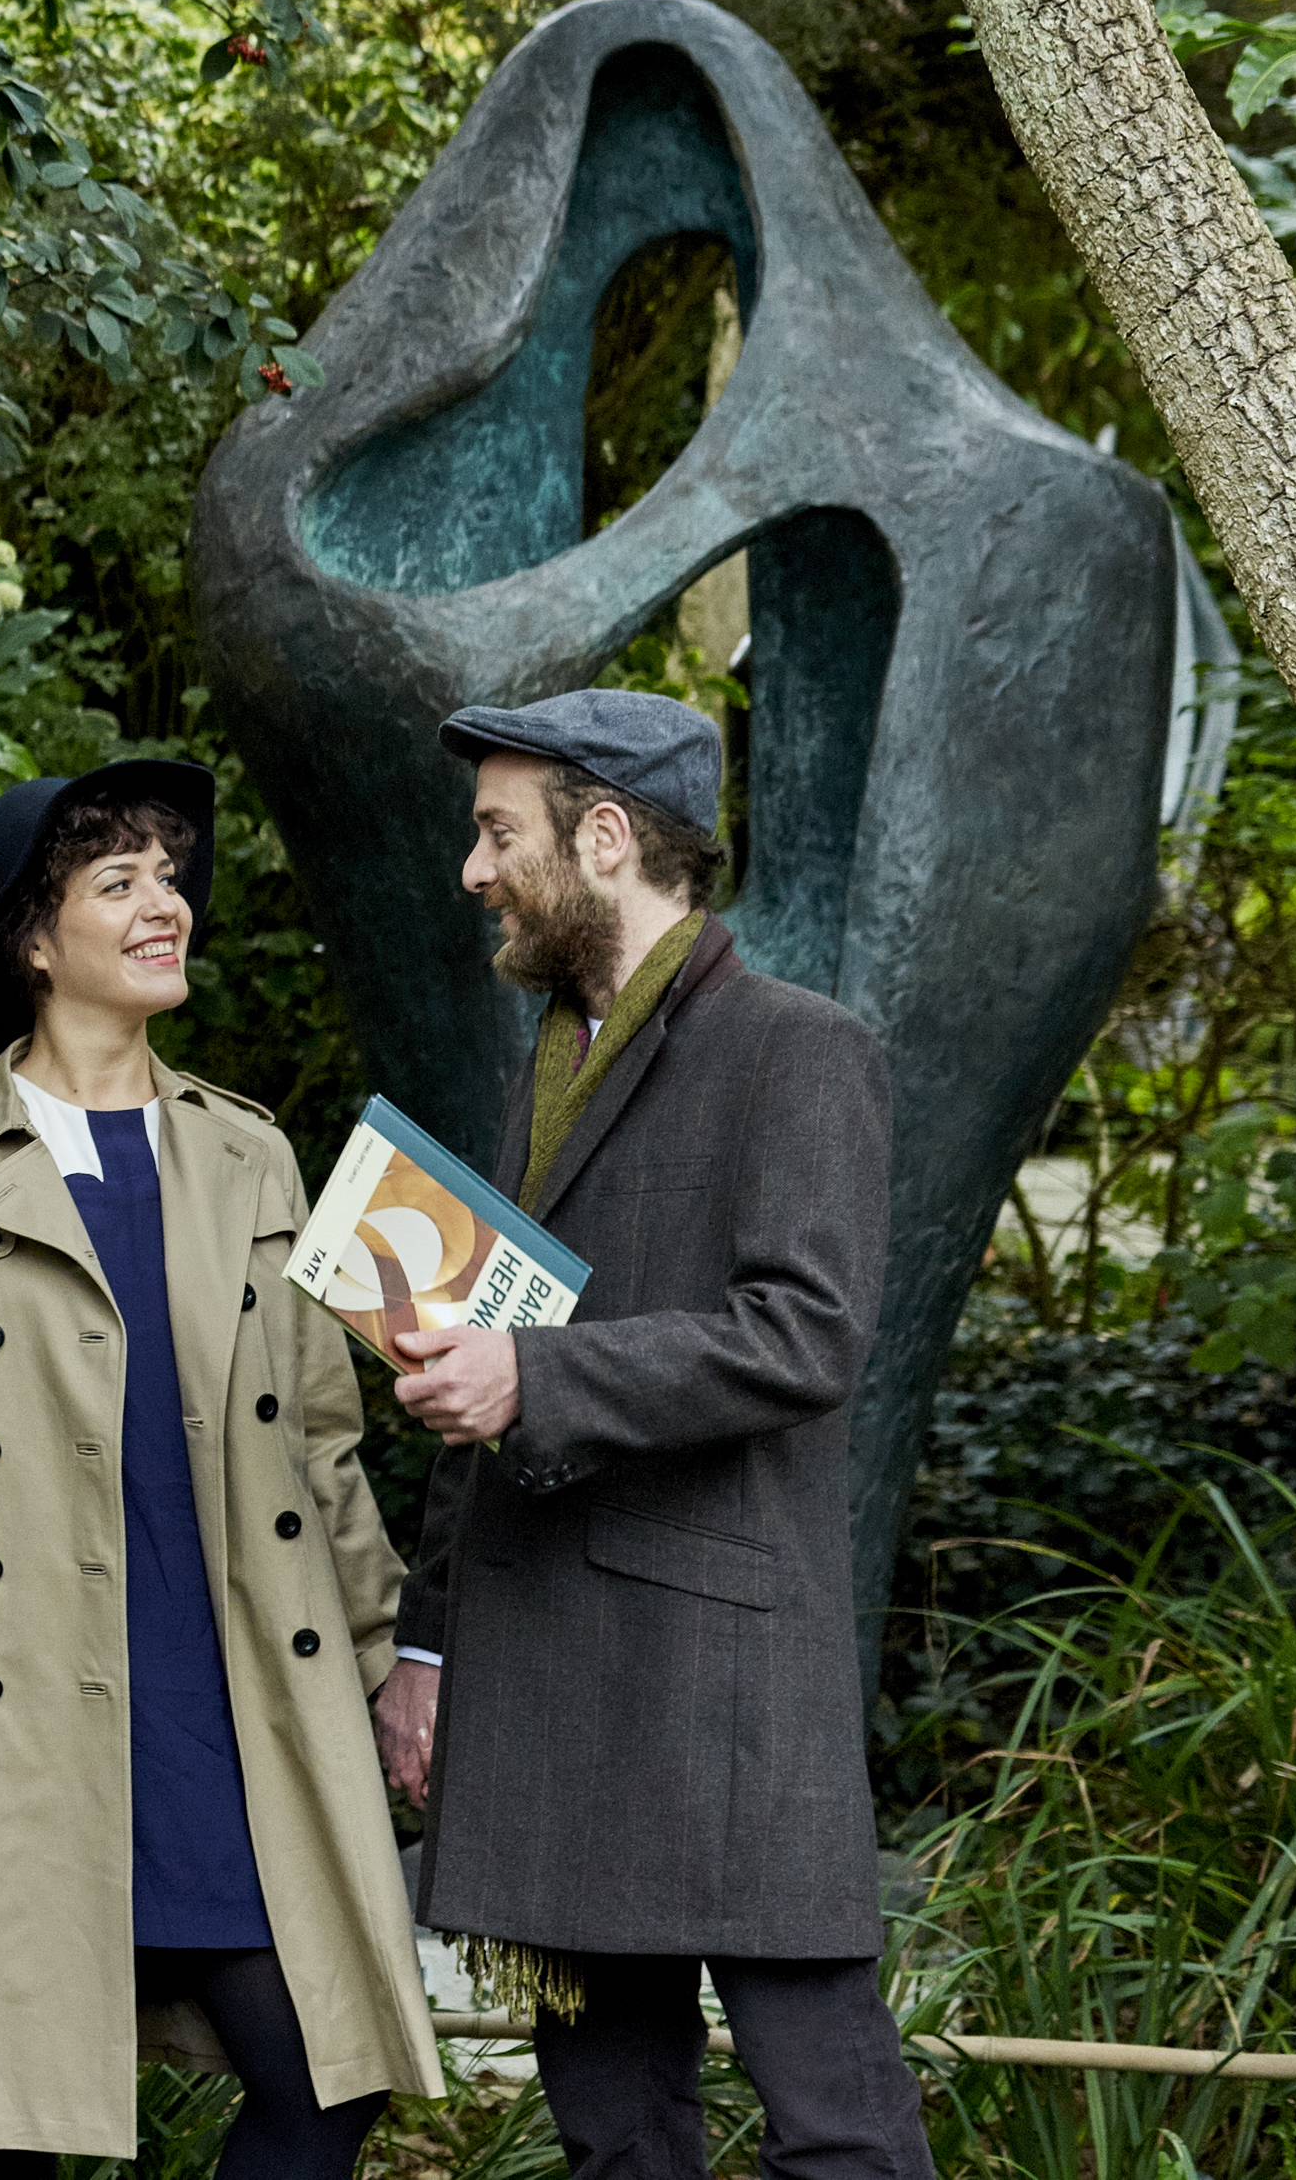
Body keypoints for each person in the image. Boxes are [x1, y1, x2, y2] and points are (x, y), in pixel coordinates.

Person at [0, 761, 440, 2173]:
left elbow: (319, 1446)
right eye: (119, 880)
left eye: (170, 875)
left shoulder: (249, 1153)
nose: (167, 904)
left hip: (231, 1699)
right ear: (35, 939)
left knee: (328, 2074)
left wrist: (390, 1662)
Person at [375, 689, 937, 2180]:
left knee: (835, 2128)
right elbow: (488, 1350)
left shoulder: (801, 1048)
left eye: (499, 833)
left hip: (716, 1687)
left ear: (606, 835)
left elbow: (804, 1333)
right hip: (545, 1676)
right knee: (612, 2135)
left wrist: (533, 1376)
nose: (475, 870)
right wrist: (428, 1641)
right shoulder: (549, 1059)